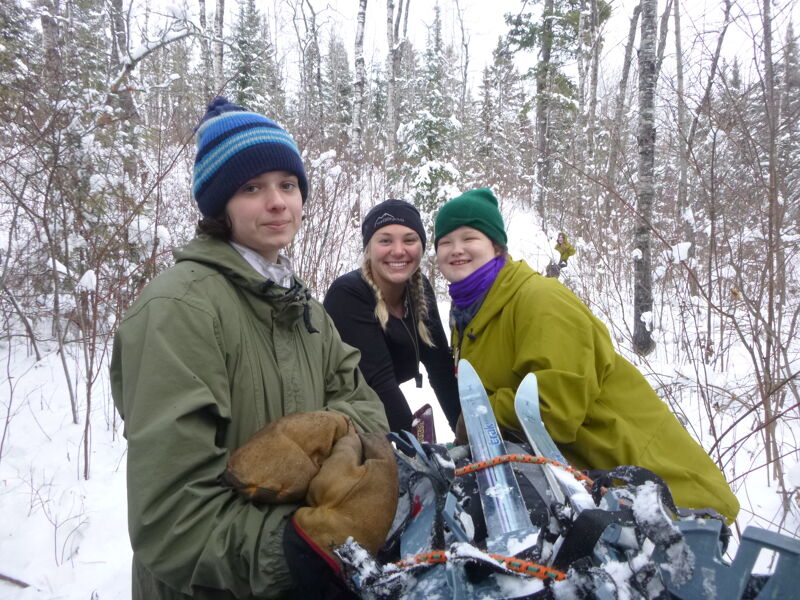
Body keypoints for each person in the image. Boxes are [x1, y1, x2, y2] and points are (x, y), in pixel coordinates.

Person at [110, 97, 394, 599]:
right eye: (252, 188)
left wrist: (333, 429)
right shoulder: (179, 308)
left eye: (287, 185)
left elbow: (365, 403)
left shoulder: (303, 306)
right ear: (221, 203)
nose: (277, 202)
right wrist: (297, 549)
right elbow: (170, 517)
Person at [433, 187, 739, 524]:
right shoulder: (471, 314)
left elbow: (554, 409)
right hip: (597, 499)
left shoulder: (539, 299)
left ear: (495, 245)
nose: (456, 249)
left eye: (469, 237)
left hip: (665, 500)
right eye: (445, 242)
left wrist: (473, 417)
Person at [324, 199, 461, 435]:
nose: (398, 250)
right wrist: (415, 452)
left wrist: (464, 431)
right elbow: (380, 384)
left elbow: (440, 366)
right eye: (385, 240)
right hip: (341, 421)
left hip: (376, 418)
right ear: (368, 249)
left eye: (409, 240)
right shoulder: (348, 295)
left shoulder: (419, 289)